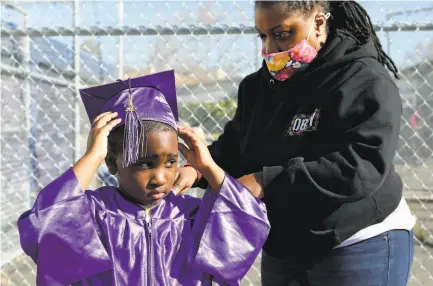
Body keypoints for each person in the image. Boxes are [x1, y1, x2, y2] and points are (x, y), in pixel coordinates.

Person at [173, 2, 416, 285]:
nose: (268, 49)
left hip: (357, 241)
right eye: (262, 36)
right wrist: (197, 169)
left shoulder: (362, 79)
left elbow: (360, 167)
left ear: (318, 24)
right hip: (286, 244)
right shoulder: (258, 88)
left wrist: (265, 182)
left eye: (282, 34)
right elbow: (238, 146)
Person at [17, 71, 270, 285]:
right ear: (112, 162)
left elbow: (250, 220)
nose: (160, 177)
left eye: (171, 162)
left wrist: (208, 166)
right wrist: (92, 156)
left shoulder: (191, 217)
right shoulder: (94, 214)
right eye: (144, 164)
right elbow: (42, 226)